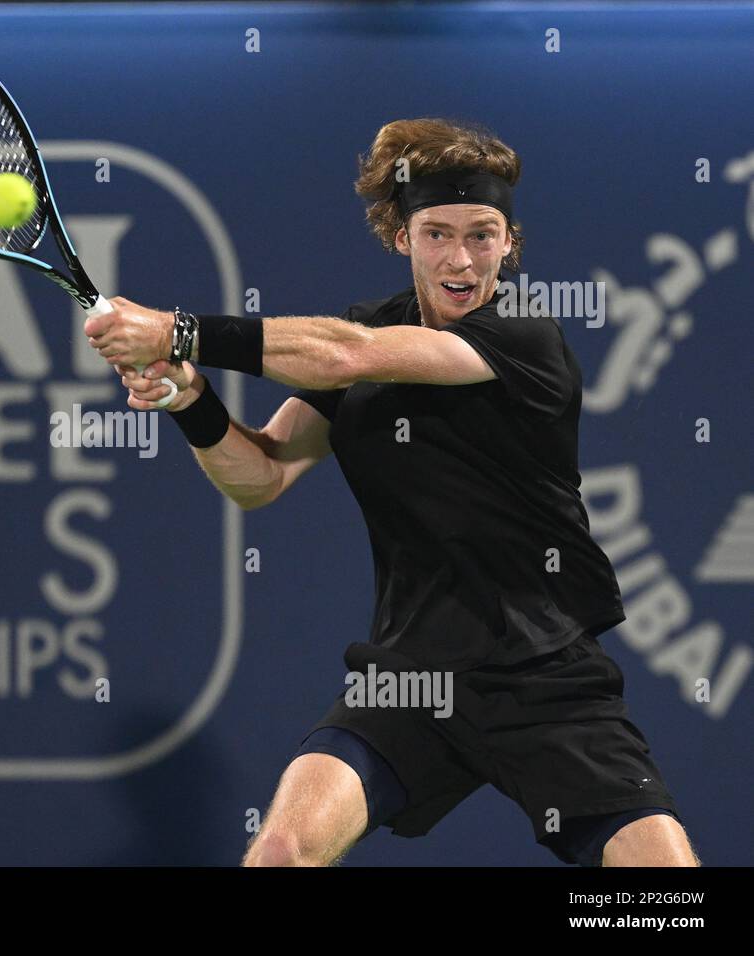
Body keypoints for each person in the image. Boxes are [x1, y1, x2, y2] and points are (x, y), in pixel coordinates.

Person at [82, 118, 699, 867]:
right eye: (437, 232)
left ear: (510, 243)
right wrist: (191, 402)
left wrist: (175, 332)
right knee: (281, 850)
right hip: (409, 682)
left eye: (483, 234)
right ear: (401, 237)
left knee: (664, 891)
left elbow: (347, 356)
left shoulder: (522, 336)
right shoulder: (366, 332)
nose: (462, 257)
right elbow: (264, 477)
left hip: (545, 677)